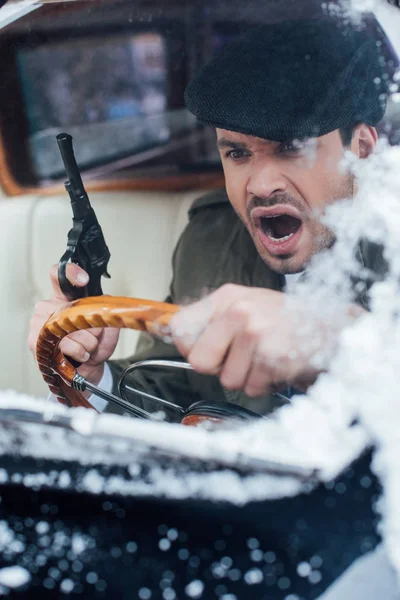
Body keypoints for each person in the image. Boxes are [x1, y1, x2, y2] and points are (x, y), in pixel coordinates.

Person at [28, 15, 392, 418]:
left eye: (291, 148)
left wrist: (338, 342)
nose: (260, 185)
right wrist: (92, 379)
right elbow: (168, 389)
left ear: (360, 149)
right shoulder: (210, 240)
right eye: (237, 153)